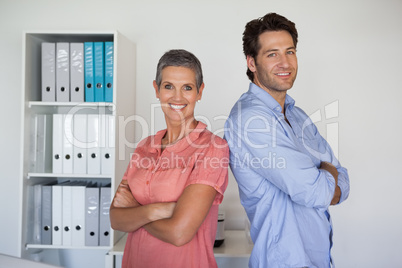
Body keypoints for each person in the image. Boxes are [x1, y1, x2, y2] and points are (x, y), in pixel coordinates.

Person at [224, 13, 350, 267]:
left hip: (319, 259)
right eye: (272, 54)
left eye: (290, 52)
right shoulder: (250, 119)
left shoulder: (297, 114)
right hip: (284, 260)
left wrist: (324, 179)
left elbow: (343, 182)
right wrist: (325, 174)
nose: (285, 63)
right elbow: (315, 191)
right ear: (252, 63)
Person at [109, 49, 229, 268]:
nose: (177, 97)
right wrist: (158, 210)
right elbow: (116, 219)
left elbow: (179, 233)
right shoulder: (144, 147)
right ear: (156, 89)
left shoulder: (213, 148)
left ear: (200, 92)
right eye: (168, 86)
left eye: (187, 88)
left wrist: (136, 214)